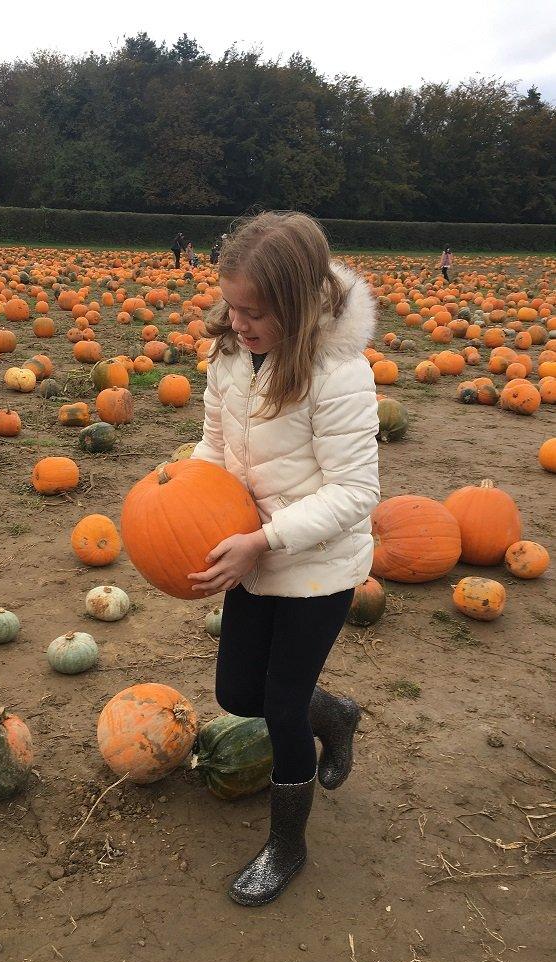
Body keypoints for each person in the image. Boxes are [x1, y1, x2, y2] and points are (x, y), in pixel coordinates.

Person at [188, 211, 380, 907]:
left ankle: (287, 846)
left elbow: (357, 490)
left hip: (319, 566)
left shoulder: (339, 373)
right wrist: (186, 499)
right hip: (253, 552)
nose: (237, 322)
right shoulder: (231, 353)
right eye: (231, 306)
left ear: (298, 306)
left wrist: (263, 541)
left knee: (279, 706)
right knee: (237, 694)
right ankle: (337, 715)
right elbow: (214, 444)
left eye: (254, 312)